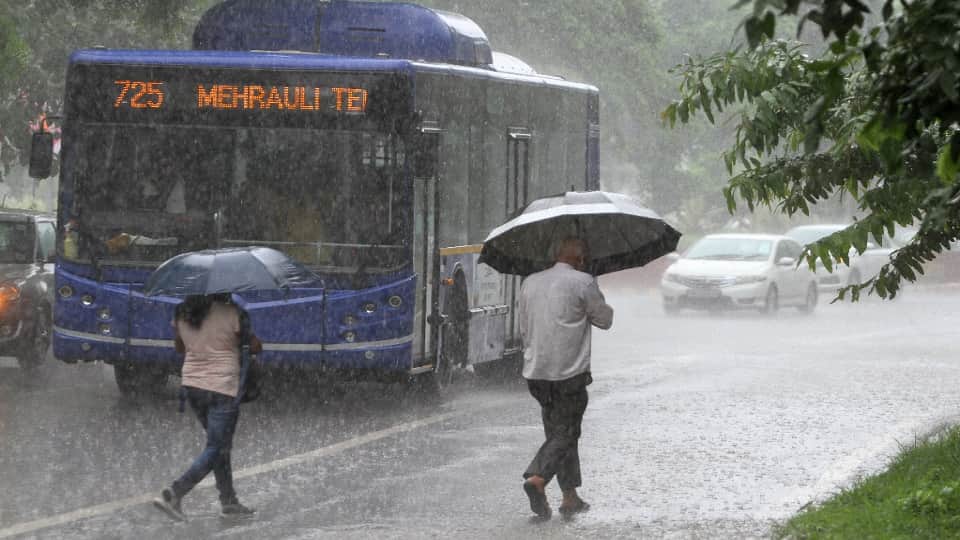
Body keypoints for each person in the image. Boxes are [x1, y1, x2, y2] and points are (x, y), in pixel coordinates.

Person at [517, 237, 614, 520]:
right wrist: (593, 296)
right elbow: (604, 320)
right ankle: (538, 477)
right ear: (580, 259)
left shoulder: (530, 282)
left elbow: (524, 326)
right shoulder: (583, 282)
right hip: (568, 372)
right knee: (567, 433)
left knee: (557, 433)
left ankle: (570, 497)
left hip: (537, 373)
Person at [152, 293, 262, 522]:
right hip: (223, 387)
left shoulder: (182, 312)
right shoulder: (232, 313)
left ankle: (229, 501)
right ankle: (174, 493)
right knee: (217, 447)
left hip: (193, 387)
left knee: (219, 447)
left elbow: (180, 348)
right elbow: (254, 346)